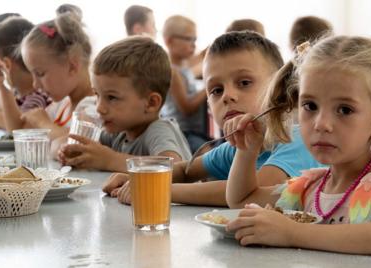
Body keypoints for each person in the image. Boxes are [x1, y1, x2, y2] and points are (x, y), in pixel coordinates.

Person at [224, 36, 371, 267]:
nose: (321, 124)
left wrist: (291, 232)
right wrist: (247, 150)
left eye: (344, 110)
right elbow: (241, 199)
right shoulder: (312, 187)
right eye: (310, 106)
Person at [103, 31, 321, 206]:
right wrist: (140, 178)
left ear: (279, 89)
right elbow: (183, 170)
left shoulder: (297, 139)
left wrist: (158, 190)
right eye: (216, 90)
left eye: (244, 83)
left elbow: (252, 194)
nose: (227, 96)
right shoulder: (234, 149)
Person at [57, 36, 191, 171]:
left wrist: (110, 159)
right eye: (97, 95)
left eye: (112, 98)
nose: (99, 108)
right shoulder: (119, 132)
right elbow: (74, 145)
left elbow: (173, 168)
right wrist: (70, 152)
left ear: (151, 103)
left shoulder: (159, 131)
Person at [20, 12, 95, 141]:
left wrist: (43, 123)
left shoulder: (94, 107)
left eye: (40, 74)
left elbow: (78, 144)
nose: (35, 85)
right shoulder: (62, 105)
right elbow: (21, 130)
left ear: (72, 66)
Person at [0, 16, 51, 131]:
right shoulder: (18, 94)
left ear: (6, 64)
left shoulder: (37, 98)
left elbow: (18, 131)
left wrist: (2, 85)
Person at [161, 15, 209, 153]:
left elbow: (200, 57)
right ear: (169, 41)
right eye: (189, 39)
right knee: (207, 152)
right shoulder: (172, 72)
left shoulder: (184, 63)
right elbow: (187, 108)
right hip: (182, 132)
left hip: (195, 130)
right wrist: (208, 87)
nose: (193, 44)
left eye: (195, 39)